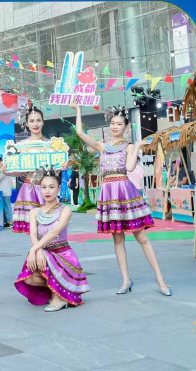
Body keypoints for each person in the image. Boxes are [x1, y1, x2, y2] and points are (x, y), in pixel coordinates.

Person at [74, 104, 171, 296]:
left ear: (126, 127)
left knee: (141, 237)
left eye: (119, 124)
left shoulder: (129, 146)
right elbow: (79, 132)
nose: (115, 126)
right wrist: (78, 109)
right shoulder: (102, 146)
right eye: (112, 123)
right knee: (117, 239)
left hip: (125, 193)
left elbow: (130, 167)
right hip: (109, 194)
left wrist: (137, 148)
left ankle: (160, 279)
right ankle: (126, 280)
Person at [15, 168, 89, 312]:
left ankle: (58, 298)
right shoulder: (34, 211)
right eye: (44, 187)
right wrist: (37, 251)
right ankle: (57, 291)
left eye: (51, 187)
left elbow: (54, 232)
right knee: (28, 278)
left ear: (59, 189)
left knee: (40, 256)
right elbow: (32, 234)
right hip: (43, 252)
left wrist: (35, 250)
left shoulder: (65, 210)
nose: (47, 191)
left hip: (63, 255)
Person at [1, 105, 47, 234]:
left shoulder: (52, 144)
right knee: (33, 230)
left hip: (47, 188)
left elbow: (56, 169)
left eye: (38, 120)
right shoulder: (21, 146)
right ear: (27, 124)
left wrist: (63, 166)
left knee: (49, 227)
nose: (35, 124)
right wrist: (7, 171)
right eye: (32, 121)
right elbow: (22, 171)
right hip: (29, 189)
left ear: (43, 122)